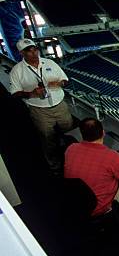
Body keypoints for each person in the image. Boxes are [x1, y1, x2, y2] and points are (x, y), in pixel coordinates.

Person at [9, 38, 73, 175]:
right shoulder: (17, 71)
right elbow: (14, 94)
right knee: (47, 137)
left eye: (34, 49)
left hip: (59, 104)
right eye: (29, 51)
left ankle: (70, 156)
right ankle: (54, 165)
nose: (33, 53)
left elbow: (66, 80)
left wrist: (59, 84)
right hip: (39, 110)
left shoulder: (49, 62)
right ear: (22, 53)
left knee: (68, 128)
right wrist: (31, 93)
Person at [64, 117, 119, 218]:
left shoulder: (71, 148)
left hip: (74, 200)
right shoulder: (112, 157)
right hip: (97, 208)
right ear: (103, 133)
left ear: (82, 134)